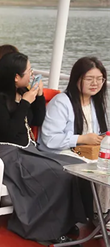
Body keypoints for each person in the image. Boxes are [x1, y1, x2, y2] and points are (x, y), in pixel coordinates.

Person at [0, 52, 92, 247]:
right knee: (58, 175)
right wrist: (25, 102)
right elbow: (9, 131)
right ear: (16, 76)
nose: (32, 74)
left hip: (28, 150)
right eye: (29, 71)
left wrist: (39, 97)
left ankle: (66, 221)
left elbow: (37, 120)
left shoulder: (21, 91)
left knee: (75, 167)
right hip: (8, 154)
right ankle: (47, 231)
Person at [39, 57, 109, 214]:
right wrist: (82, 138)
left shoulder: (96, 102)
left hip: (87, 152)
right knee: (99, 170)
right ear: (77, 79)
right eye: (89, 79)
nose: (95, 83)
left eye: (100, 79)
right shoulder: (61, 102)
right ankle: (98, 213)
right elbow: (50, 139)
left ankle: (104, 212)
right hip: (60, 152)